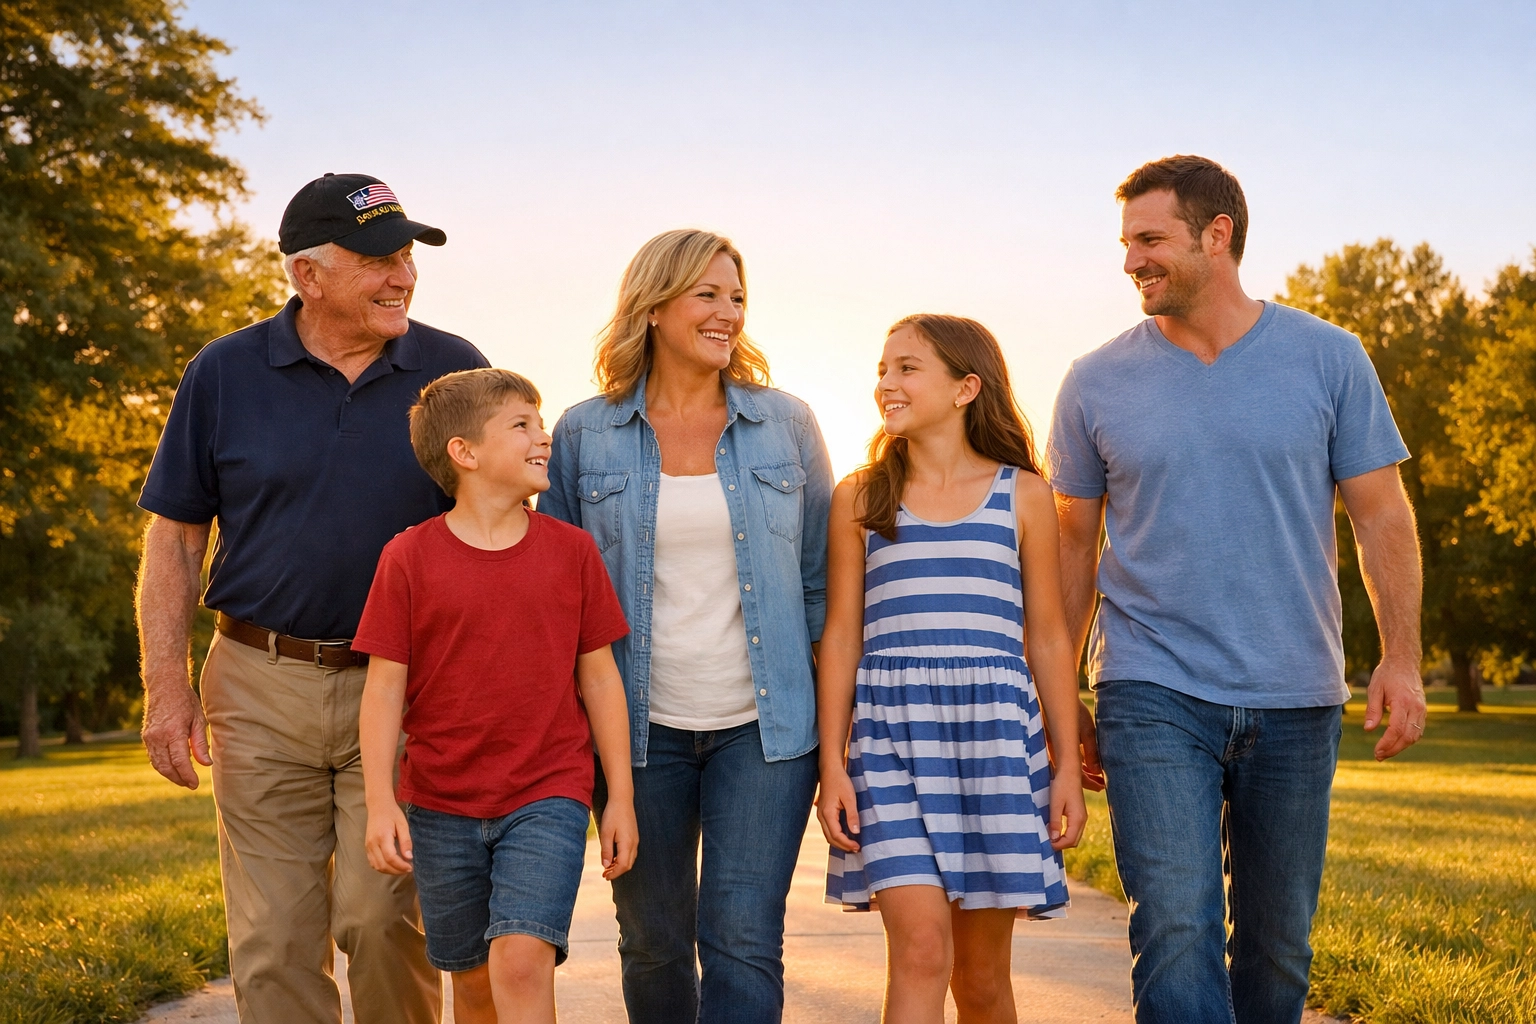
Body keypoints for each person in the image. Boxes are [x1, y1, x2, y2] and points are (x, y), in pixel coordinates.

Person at [1050, 155, 1427, 1023]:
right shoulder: (1094, 380)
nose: (1130, 261)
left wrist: (1400, 660)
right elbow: (1074, 545)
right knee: (1177, 929)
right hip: (1151, 687)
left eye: (1150, 240)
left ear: (1216, 235)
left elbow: (1383, 518)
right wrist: (1063, 689)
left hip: (1295, 691)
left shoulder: (1329, 359)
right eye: (1125, 242)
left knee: (1277, 946)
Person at [135, 173, 488, 1023]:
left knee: (380, 918)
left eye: (408, 254)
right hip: (259, 680)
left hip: (404, 688)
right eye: (378, 258)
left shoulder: (455, 371)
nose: (402, 274)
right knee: (273, 941)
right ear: (308, 275)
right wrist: (167, 689)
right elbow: (176, 540)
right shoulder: (223, 372)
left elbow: (496, 533)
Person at [540, 228, 834, 1023]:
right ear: (654, 305)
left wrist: (837, 743)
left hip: (765, 731)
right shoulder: (581, 433)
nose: (728, 312)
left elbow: (819, 588)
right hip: (637, 733)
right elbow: (558, 601)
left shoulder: (787, 425)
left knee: (742, 936)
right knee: (655, 941)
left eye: (737, 297)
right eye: (708, 294)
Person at [818, 314, 1088, 1023]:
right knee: (918, 952)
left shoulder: (1023, 494)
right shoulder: (861, 497)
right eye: (882, 369)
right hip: (890, 744)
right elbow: (842, 637)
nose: (886, 384)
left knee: (981, 979)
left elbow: (1050, 639)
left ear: (966, 387)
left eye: (907, 368)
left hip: (994, 748)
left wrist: (1064, 766)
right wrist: (832, 764)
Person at [352, 368, 637, 1024]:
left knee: (520, 957)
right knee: (474, 984)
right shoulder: (408, 559)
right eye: (523, 425)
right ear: (465, 452)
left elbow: (599, 678)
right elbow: (383, 690)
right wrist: (378, 804)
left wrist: (616, 796)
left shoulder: (572, 552)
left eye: (540, 423)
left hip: (547, 792)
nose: (544, 437)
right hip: (440, 803)